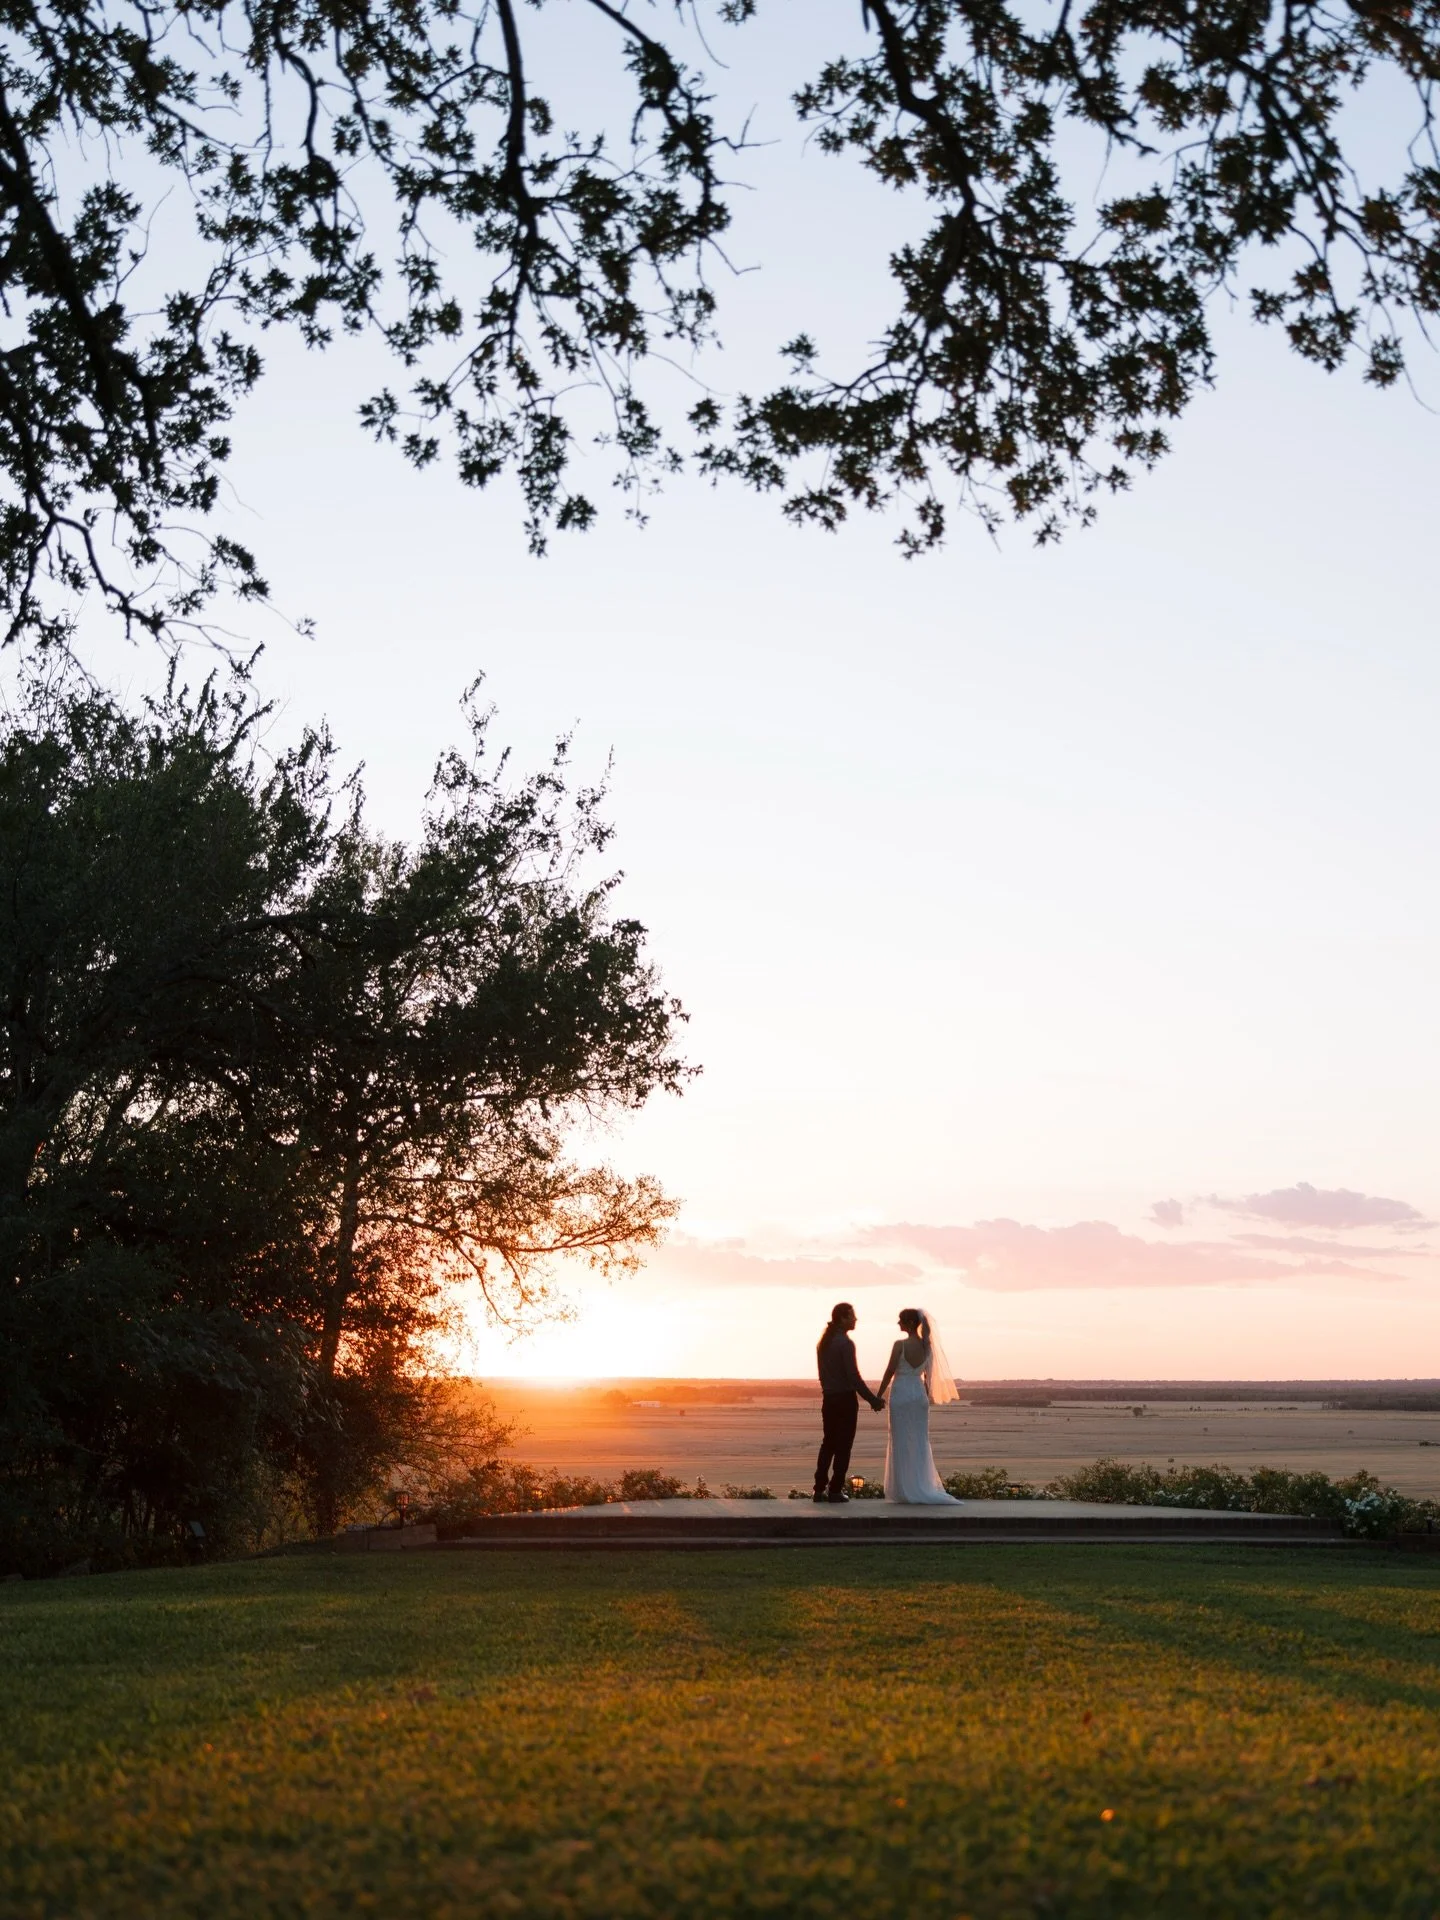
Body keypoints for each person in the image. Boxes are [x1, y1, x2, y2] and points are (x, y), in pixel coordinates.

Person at [877, 1308, 961, 1505]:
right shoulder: (927, 1347)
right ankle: (920, 1485)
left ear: (908, 1323)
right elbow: (928, 1379)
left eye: (900, 1320)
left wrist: (878, 1395)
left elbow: (889, 1371)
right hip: (918, 1396)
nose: (898, 1323)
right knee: (919, 1441)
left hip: (901, 1394)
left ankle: (905, 1489)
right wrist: (924, 1394)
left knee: (900, 1440)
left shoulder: (900, 1345)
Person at [813, 1302, 885, 1503]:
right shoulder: (845, 1343)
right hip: (844, 1400)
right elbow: (854, 1377)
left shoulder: (824, 1342)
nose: (856, 1319)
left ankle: (819, 1489)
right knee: (843, 1446)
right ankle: (835, 1490)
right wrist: (873, 1400)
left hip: (828, 1398)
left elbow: (823, 1375)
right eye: (852, 1316)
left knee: (828, 1444)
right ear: (843, 1318)